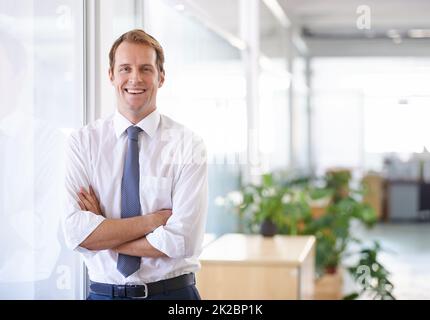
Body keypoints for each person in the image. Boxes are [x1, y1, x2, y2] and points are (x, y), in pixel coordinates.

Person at [62, 29, 208, 300]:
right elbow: (76, 233)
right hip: (103, 294)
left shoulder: (188, 145)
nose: (135, 78)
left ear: (161, 77)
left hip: (172, 294)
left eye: (146, 69)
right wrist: (154, 221)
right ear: (111, 75)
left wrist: (104, 234)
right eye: (125, 68)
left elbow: (181, 240)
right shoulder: (83, 143)